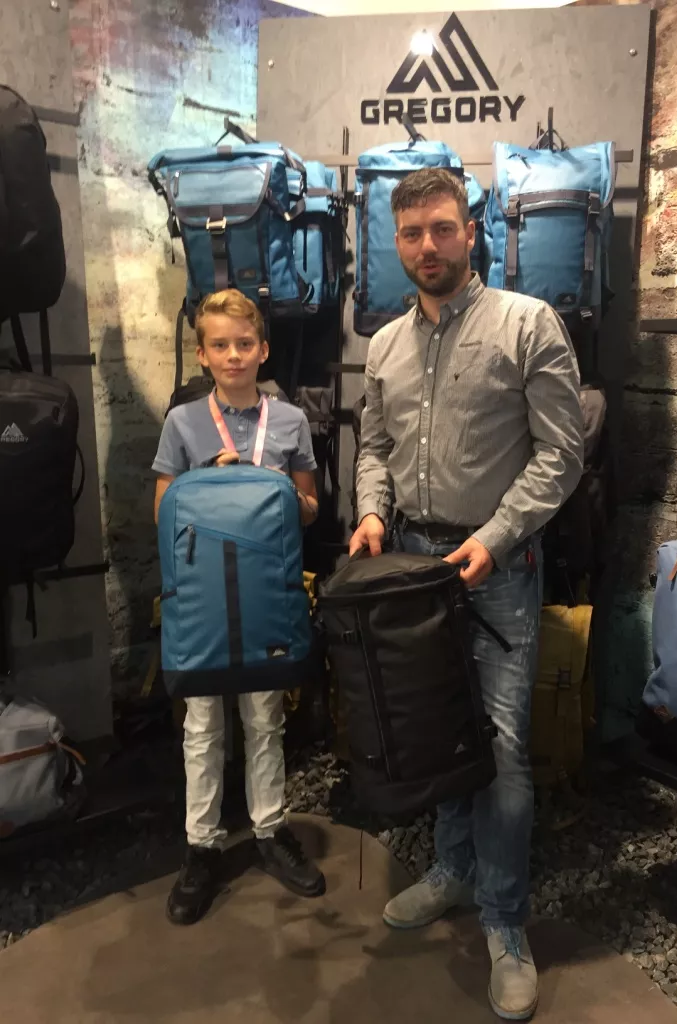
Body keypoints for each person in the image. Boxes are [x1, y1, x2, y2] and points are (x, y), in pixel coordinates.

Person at [350, 168, 584, 1020]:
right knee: (437, 732)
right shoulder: (384, 343)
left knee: (503, 753)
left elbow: (561, 453)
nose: (428, 246)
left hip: (497, 568)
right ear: (396, 240)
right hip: (410, 566)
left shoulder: (528, 323)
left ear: (472, 230)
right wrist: (372, 512)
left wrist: (495, 537)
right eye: (412, 233)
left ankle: (504, 922)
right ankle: (451, 870)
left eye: (442, 228)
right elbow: (373, 446)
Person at [152, 288, 325, 925]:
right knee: (201, 727)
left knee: (264, 718)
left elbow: (310, 509)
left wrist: (273, 490)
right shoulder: (183, 423)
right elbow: (163, 511)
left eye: (244, 344)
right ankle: (201, 846)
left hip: (265, 596)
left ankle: (269, 829)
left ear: (263, 350)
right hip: (203, 599)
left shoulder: (290, 421)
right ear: (202, 354)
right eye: (220, 345)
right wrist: (211, 481)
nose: (233, 355)